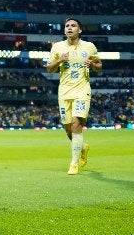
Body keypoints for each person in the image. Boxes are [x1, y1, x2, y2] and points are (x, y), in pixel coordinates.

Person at [46, 18, 102, 175]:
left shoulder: (89, 47)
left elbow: (99, 67)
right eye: (67, 26)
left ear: (80, 30)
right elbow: (49, 69)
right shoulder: (57, 47)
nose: (70, 28)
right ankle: (83, 147)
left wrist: (93, 65)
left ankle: (73, 164)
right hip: (64, 91)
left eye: (73, 26)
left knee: (77, 124)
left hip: (82, 90)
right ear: (64, 30)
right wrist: (59, 60)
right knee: (68, 129)